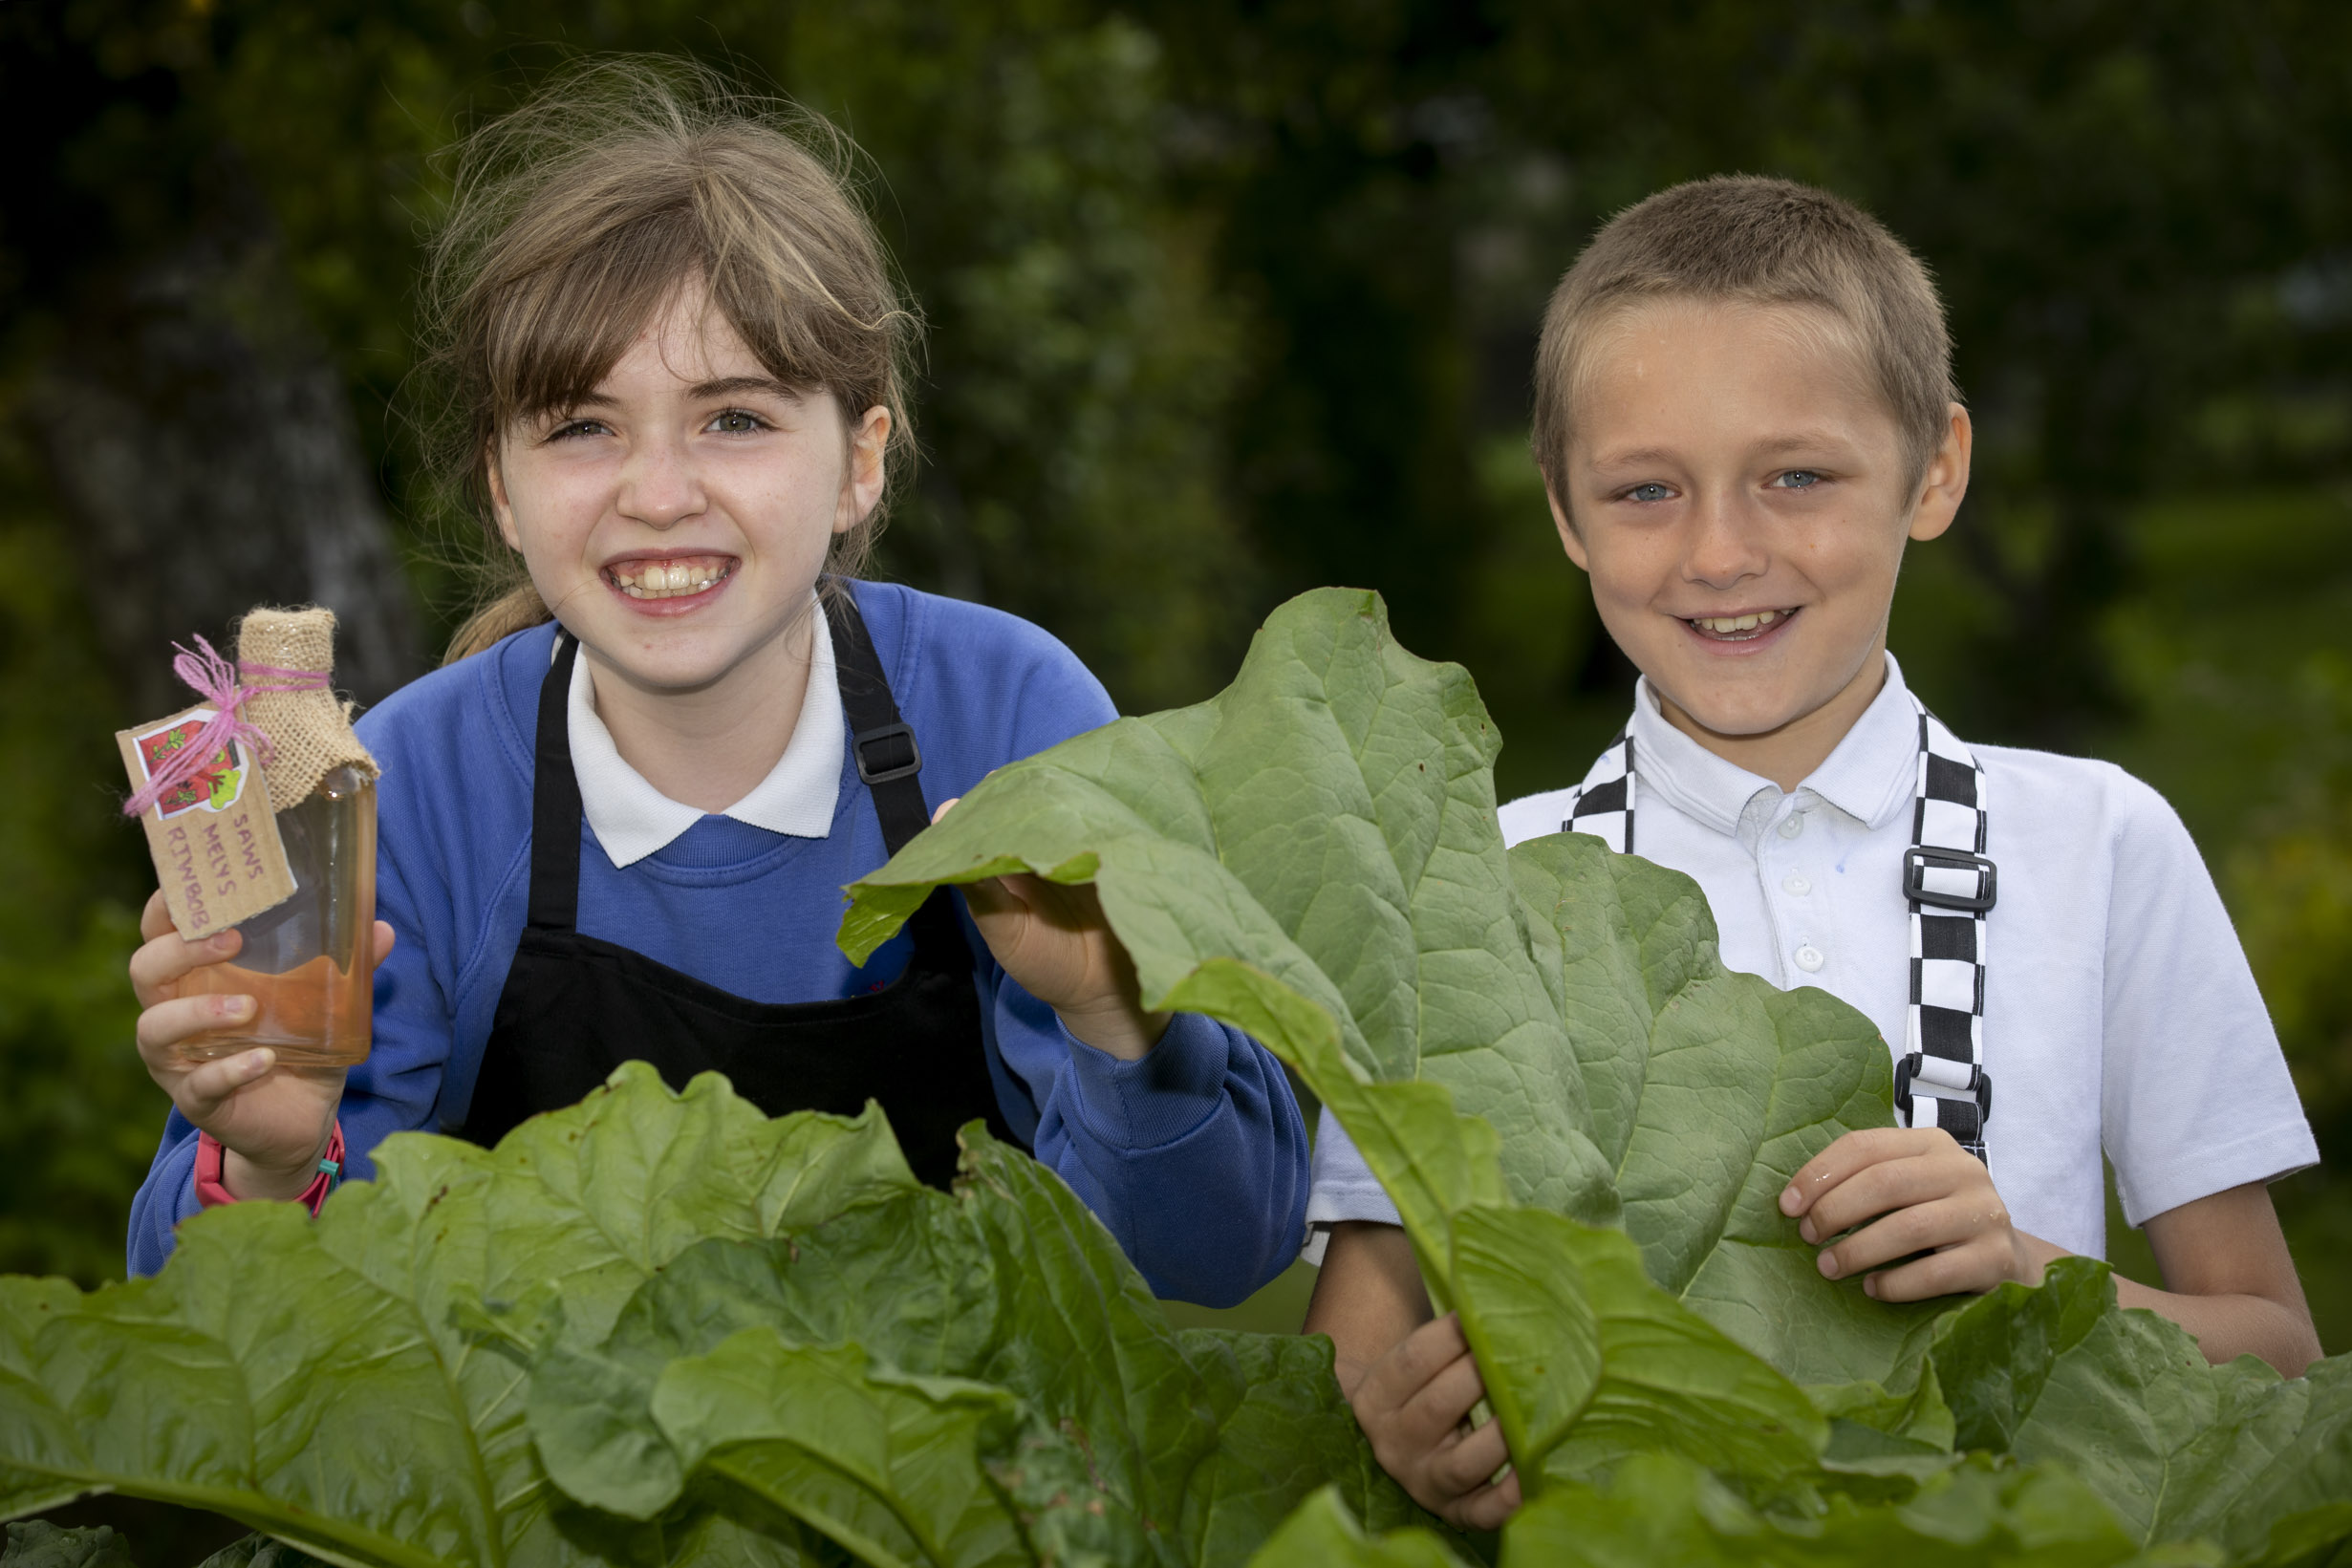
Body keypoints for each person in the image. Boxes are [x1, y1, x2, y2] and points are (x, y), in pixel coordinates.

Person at [123, 63, 1309, 1308]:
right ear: (500, 488)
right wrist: (264, 1159)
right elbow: (232, 1338)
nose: (658, 490)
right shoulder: (401, 789)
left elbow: (1218, 1259)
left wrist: (1111, 1009)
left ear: (859, 460)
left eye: (732, 417)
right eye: (582, 426)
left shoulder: (1006, 716)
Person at [1301, 175, 2324, 1526]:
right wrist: (1408, 1430)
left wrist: (2025, 1277)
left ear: (1935, 469)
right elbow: (1347, 1353)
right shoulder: (1456, 888)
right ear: (1561, 510)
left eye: (1795, 475)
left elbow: (2281, 1358)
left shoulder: (2100, 841)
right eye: (1646, 488)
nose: (1721, 550)